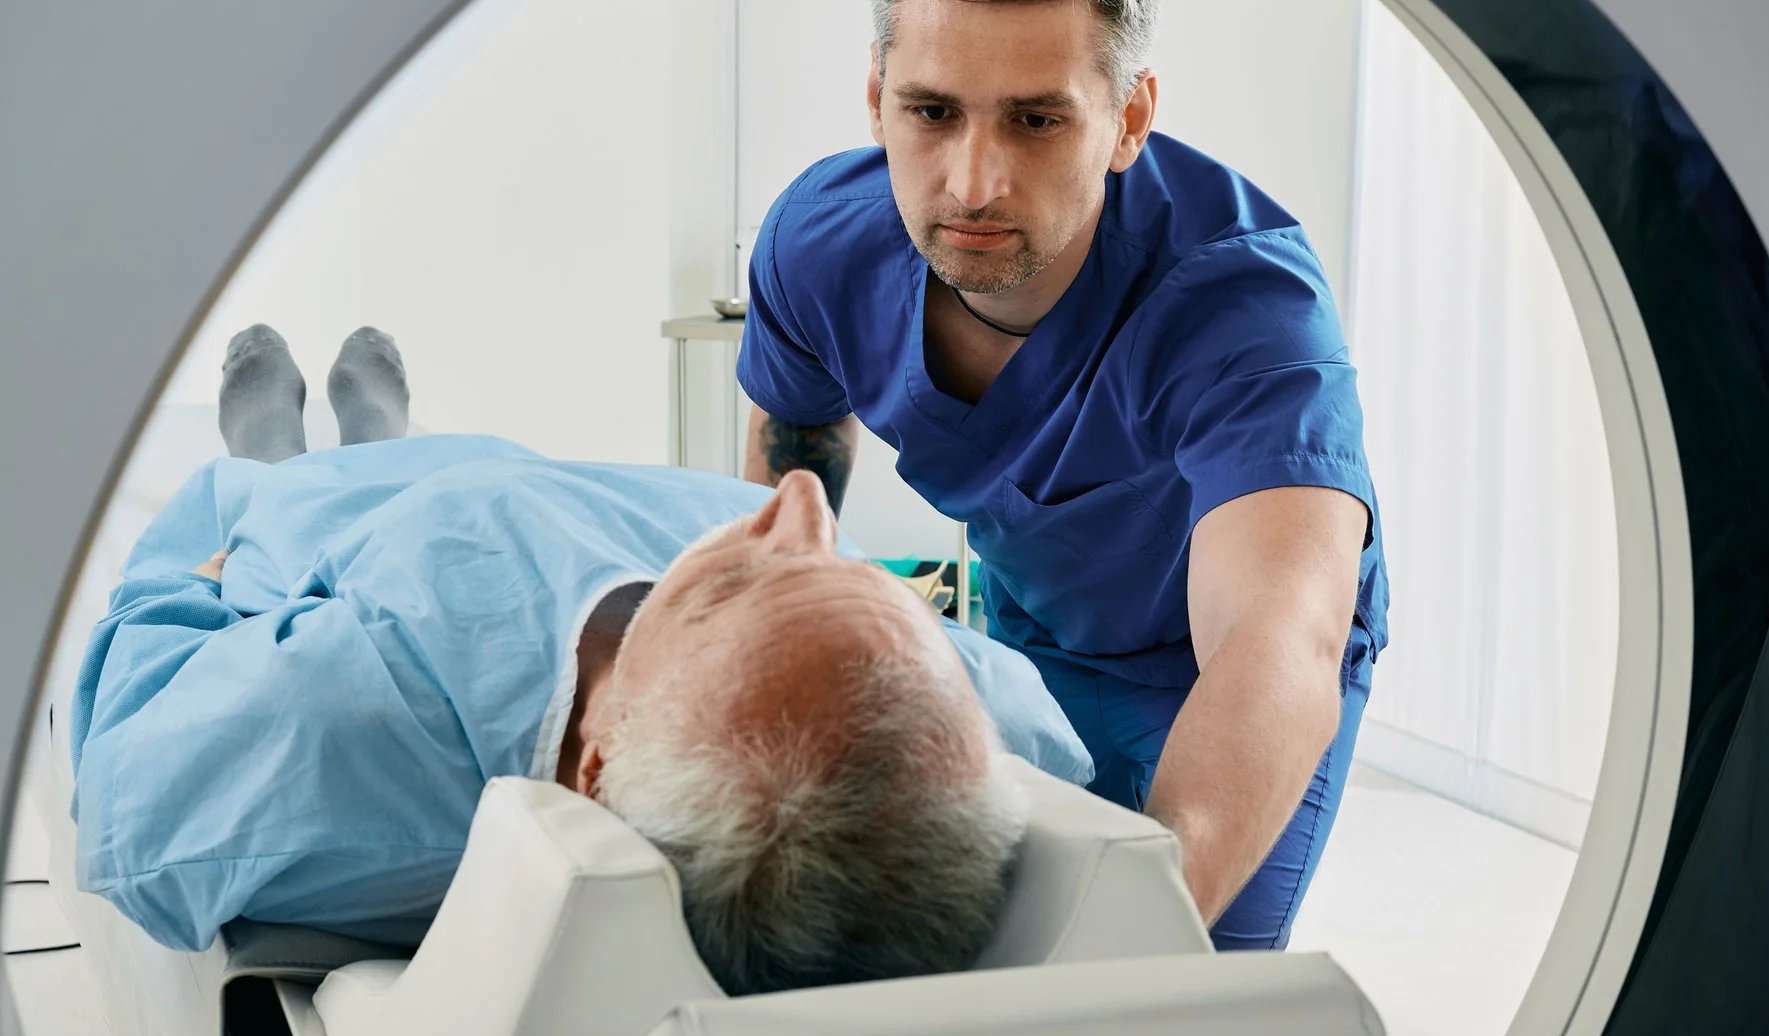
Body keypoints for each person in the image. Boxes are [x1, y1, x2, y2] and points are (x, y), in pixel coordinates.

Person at [69, 325, 1092, 996]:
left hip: (348, 545)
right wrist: (785, 590)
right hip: (550, 490)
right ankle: (384, 431)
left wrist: (189, 583)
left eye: (741, 587)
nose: (803, 501)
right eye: (842, 572)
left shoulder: (351, 731)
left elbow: (127, 786)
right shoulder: (991, 724)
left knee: (274, 496)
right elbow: (1043, 734)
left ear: (594, 768)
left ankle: (267, 455)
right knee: (451, 455)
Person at [738, 0, 1383, 948]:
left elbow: (1274, 637)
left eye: (1036, 120)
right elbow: (791, 470)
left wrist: (1132, 945)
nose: (972, 183)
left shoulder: (1244, 306)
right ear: (877, 101)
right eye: (931, 112)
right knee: (978, 931)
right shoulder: (818, 246)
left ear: (1128, 119)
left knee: (1175, 980)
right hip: (1037, 624)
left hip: (1222, 668)